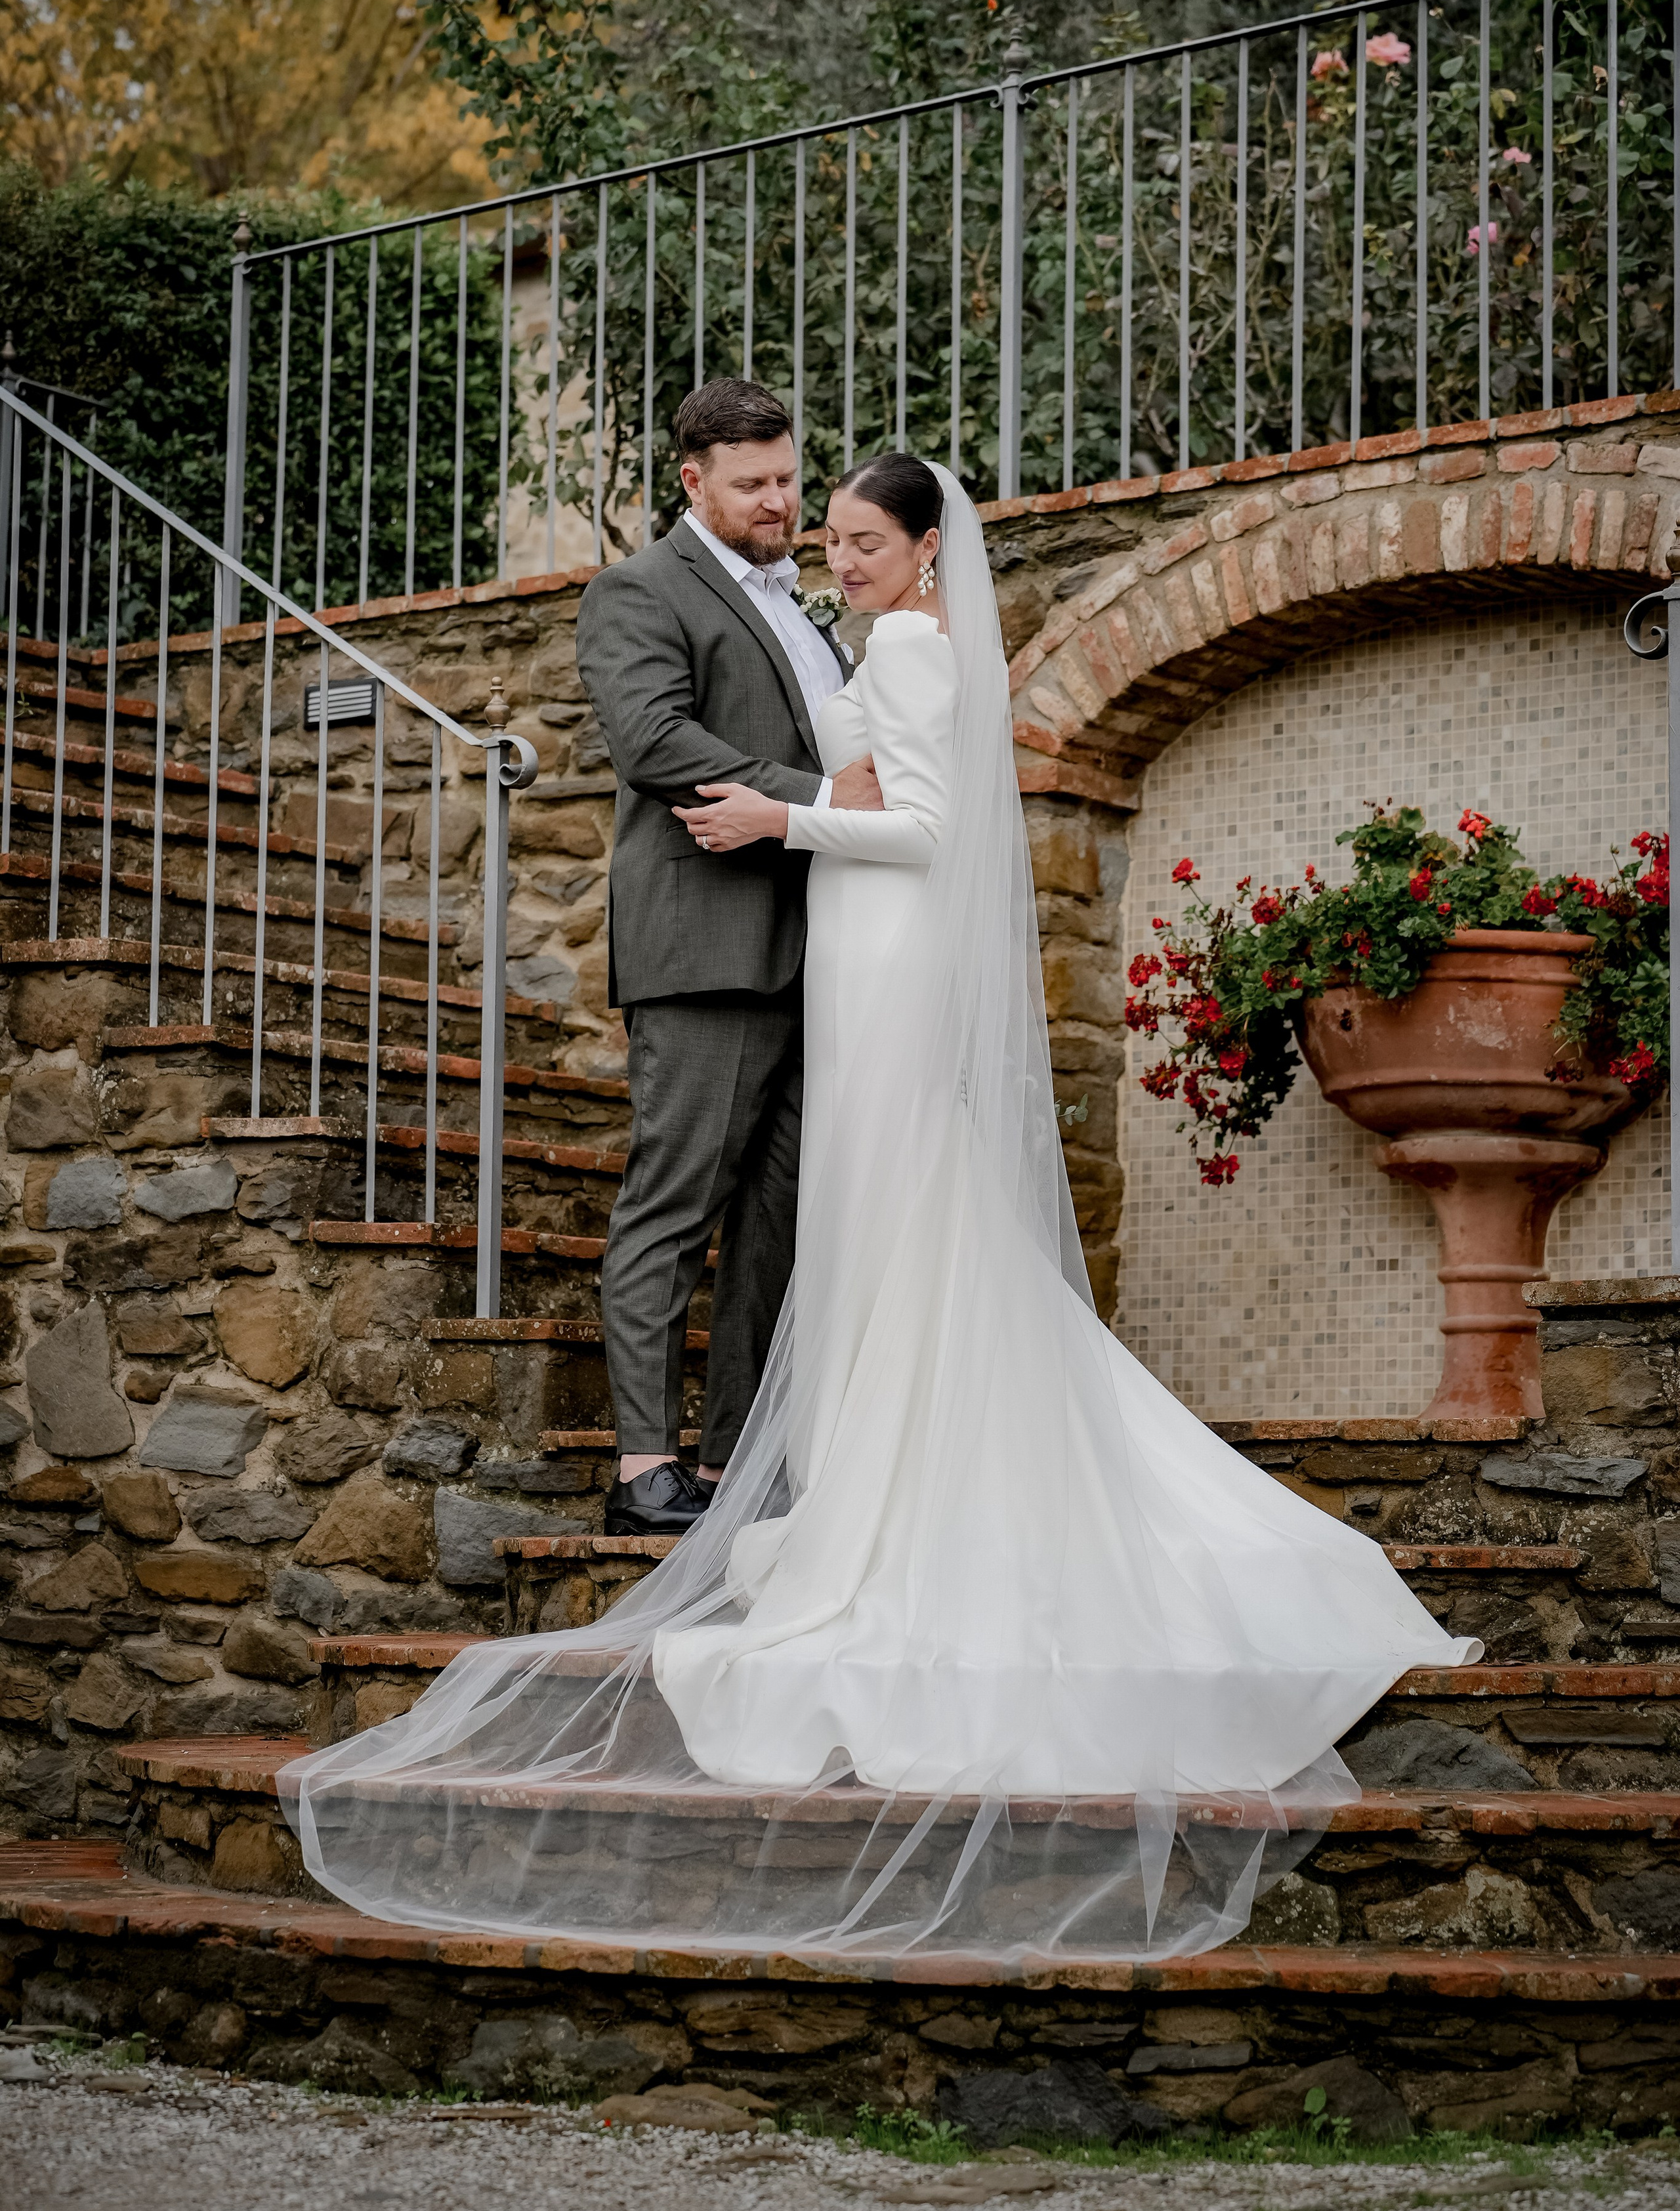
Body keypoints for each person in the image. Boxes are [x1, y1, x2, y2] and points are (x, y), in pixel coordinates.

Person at [281, 453, 1479, 1967]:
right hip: (845, 954)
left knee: (903, 1212)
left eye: (859, 538)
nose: (835, 555)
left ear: (924, 554)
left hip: (883, 945)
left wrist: (781, 828)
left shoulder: (912, 651)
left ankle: (904, 1478)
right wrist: (807, 808)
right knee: (866, 1219)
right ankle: (868, 1462)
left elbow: (925, 831)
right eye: (824, 533)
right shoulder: (872, 639)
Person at [574, 379, 879, 1536]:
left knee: (780, 1221)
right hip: (705, 948)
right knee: (675, 1203)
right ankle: (642, 1465)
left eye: (789, 478)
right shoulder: (638, 590)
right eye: (752, 483)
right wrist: (816, 795)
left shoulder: (807, 607)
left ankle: (736, 1462)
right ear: (692, 481)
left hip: (822, 954)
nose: (779, 501)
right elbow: (652, 738)